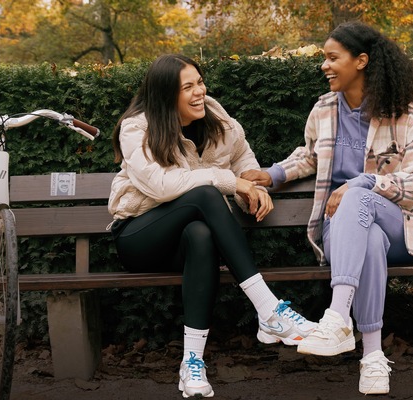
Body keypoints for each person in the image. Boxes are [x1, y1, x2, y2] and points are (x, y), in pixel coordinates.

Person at [241, 21, 413, 395]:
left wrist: (363, 183)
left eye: (333, 57)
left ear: (362, 61)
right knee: (367, 241)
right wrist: (272, 174)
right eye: (324, 58)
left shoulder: (405, 115)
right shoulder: (324, 109)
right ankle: (372, 358)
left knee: (358, 197)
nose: (324, 65)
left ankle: (336, 318)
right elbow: (309, 156)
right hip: (346, 232)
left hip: (402, 225)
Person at [108, 54, 316, 399]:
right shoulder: (137, 128)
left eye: (200, 82)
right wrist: (231, 183)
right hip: (139, 238)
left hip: (186, 244)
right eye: (187, 87)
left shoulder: (219, 120)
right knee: (205, 193)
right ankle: (268, 309)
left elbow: (243, 161)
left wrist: (254, 191)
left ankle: (192, 363)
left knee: (200, 234)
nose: (198, 92)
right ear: (165, 95)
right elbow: (161, 186)